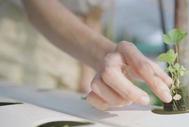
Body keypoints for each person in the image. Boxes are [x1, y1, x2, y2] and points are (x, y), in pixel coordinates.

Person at [1, 0, 173, 110]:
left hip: (81, 44)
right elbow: (35, 6)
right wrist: (105, 53)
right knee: (27, 114)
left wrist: (87, 75)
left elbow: (94, 14)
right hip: (24, 34)